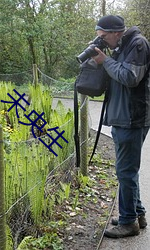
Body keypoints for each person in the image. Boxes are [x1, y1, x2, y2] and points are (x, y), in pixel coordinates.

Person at [92, 15, 150, 238]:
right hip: (122, 117)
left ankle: (128, 223)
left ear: (116, 32)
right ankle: (137, 214)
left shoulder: (138, 44)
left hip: (132, 118)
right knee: (127, 171)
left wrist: (105, 61)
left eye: (104, 37)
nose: (103, 41)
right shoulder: (121, 46)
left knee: (125, 171)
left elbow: (129, 77)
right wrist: (102, 60)